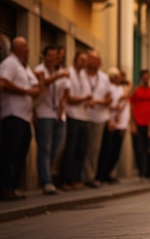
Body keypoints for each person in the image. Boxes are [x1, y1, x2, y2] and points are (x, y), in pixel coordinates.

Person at [0, 37, 39, 200]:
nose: (28, 49)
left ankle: (12, 187)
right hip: (12, 114)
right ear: (16, 48)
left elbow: (36, 86)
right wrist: (25, 91)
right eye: (25, 46)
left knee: (20, 152)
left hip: (25, 117)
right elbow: (2, 82)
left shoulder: (24, 67)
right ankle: (5, 188)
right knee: (10, 153)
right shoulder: (10, 63)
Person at [34, 45, 70, 195]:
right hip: (44, 113)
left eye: (55, 56)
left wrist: (63, 104)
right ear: (45, 56)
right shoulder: (39, 69)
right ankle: (46, 182)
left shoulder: (63, 72)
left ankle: (45, 175)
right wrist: (57, 77)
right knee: (45, 148)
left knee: (56, 148)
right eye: (49, 56)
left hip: (59, 115)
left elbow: (67, 91)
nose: (53, 59)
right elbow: (42, 85)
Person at [60, 51, 92, 190]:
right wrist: (84, 99)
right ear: (75, 60)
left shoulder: (85, 76)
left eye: (85, 60)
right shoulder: (69, 73)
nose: (84, 63)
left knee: (81, 149)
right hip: (72, 115)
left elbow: (88, 95)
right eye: (81, 60)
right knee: (70, 149)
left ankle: (76, 179)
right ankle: (65, 180)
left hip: (84, 116)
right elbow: (69, 99)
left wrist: (87, 100)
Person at [96, 68, 131, 184]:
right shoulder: (109, 87)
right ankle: (101, 174)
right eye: (116, 76)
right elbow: (107, 104)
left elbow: (129, 87)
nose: (119, 78)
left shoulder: (121, 88)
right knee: (107, 149)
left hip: (121, 123)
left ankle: (109, 173)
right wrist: (113, 113)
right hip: (110, 121)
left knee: (116, 150)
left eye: (120, 76)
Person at [83, 51, 112, 188]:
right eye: (91, 59)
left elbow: (109, 99)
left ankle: (90, 176)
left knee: (94, 149)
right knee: (79, 147)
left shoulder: (104, 78)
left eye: (96, 59)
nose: (93, 62)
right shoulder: (80, 74)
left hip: (99, 118)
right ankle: (77, 177)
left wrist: (98, 102)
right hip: (81, 115)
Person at [130, 69, 150, 180]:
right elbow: (132, 107)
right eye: (144, 77)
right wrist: (132, 123)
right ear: (141, 78)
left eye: (148, 77)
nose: (146, 79)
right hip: (138, 124)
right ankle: (141, 173)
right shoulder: (136, 91)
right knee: (139, 149)